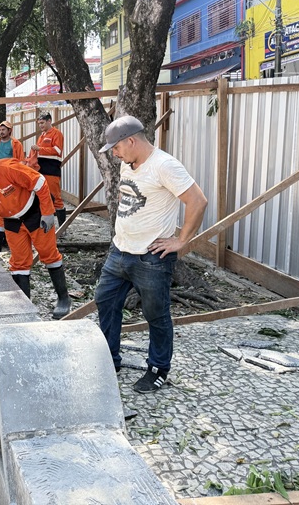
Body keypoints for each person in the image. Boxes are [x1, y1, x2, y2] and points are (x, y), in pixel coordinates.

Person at [95, 115, 207, 393]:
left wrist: (182, 240)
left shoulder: (164, 165)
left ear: (131, 140)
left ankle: (158, 369)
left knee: (156, 314)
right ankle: (110, 358)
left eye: (117, 148)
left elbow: (197, 200)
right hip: (120, 250)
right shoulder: (129, 164)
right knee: (105, 300)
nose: (115, 154)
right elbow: (129, 197)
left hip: (150, 258)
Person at [0, 152, 74, 319]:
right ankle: (25, 305)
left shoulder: (6, 168)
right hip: (11, 221)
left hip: (35, 213)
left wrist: (47, 212)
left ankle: (63, 299)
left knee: (49, 254)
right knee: (18, 262)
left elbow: (39, 181)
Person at [32, 112, 66, 226]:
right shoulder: (41, 136)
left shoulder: (57, 134)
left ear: (49, 121)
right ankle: (46, 225)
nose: (40, 125)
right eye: (39, 123)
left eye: (42, 123)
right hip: (41, 170)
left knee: (56, 198)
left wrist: (40, 149)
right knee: (43, 196)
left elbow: (58, 151)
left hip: (52, 170)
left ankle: (63, 228)